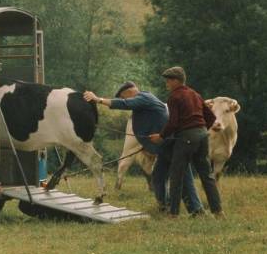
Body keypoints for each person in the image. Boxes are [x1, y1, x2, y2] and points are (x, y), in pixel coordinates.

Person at [84, 82, 204, 215]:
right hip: (164, 147)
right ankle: (164, 206)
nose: (125, 100)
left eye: (124, 97)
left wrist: (98, 100)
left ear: (130, 93)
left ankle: (196, 210)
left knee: (183, 177)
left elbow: (124, 104)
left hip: (172, 145)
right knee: (158, 177)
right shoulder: (142, 102)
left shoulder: (144, 98)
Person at [149, 67, 224, 218]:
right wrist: (201, 129)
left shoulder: (174, 97)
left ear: (177, 81)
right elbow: (210, 116)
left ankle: (173, 214)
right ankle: (218, 212)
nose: (167, 83)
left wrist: (161, 137)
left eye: (169, 80)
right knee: (207, 176)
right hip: (203, 137)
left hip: (186, 139)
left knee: (176, 176)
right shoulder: (195, 94)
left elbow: (173, 123)